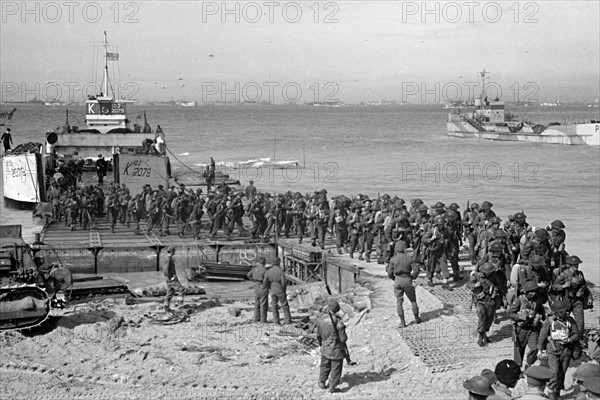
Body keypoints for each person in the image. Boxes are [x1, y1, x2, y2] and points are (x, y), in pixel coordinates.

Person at [538, 299, 581, 400]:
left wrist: (570, 339)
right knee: (554, 371)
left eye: (563, 311)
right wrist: (539, 349)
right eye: (560, 311)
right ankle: (551, 392)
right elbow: (543, 335)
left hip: (566, 349)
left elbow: (576, 334)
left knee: (562, 372)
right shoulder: (550, 321)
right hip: (553, 347)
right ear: (555, 312)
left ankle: (557, 393)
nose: (562, 313)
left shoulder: (570, 320)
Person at [508, 280, 545, 367]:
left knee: (535, 348)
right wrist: (521, 317)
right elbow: (509, 313)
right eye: (530, 292)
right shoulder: (519, 300)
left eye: (534, 292)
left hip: (533, 328)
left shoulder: (537, 300)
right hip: (521, 328)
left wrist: (542, 318)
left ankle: (529, 363)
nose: (532, 294)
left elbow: (541, 311)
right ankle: (518, 368)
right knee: (519, 350)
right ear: (526, 292)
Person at [386, 241, 421, 328]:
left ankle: (403, 322)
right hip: (407, 279)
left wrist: (394, 279)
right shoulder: (409, 258)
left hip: (397, 280)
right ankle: (416, 318)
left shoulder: (393, 259)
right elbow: (416, 270)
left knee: (399, 301)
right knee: (413, 300)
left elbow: (389, 272)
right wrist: (413, 277)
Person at [316, 298, 348, 393]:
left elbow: (318, 335)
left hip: (325, 348)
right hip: (336, 350)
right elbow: (343, 339)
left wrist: (321, 344)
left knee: (324, 366)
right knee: (336, 368)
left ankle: (322, 382)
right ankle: (332, 386)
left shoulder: (321, 320)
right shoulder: (339, 323)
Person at [470, 262, 500, 346]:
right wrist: (474, 285)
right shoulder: (477, 276)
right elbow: (469, 285)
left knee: (489, 317)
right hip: (479, 299)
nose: (489, 273)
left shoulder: (494, 276)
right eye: (488, 272)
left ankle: (484, 333)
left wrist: (503, 296)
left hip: (490, 299)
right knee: (482, 313)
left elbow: (499, 285)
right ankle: (480, 334)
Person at [263, 257, 292, 325]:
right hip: (279, 288)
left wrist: (269, 287)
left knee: (274, 306)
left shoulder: (268, 271)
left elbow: (264, 282)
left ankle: (276, 321)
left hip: (272, 288)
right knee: (284, 305)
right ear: (278, 263)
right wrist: (284, 289)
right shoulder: (280, 271)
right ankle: (287, 320)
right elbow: (283, 282)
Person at [162, 246, 184, 311]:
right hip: (171, 278)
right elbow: (165, 270)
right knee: (181, 289)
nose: (175, 252)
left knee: (170, 292)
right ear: (171, 251)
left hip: (168, 278)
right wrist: (171, 277)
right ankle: (180, 304)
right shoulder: (169, 259)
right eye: (174, 250)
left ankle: (166, 306)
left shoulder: (169, 258)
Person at [247, 257, 268, 323]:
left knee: (256, 303)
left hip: (256, 286)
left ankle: (256, 318)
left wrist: (253, 280)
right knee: (263, 303)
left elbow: (248, 275)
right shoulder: (265, 270)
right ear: (264, 262)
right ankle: (263, 320)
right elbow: (267, 278)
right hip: (262, 286)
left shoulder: (254, 269)